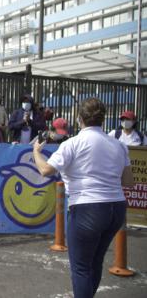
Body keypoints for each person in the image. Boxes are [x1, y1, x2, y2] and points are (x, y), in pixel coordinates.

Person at [32, 97, 134, 298]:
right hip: (116, 209)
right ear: (103, 119)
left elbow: (45, 170)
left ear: (80, 118)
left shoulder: (73, 143)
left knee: (80, 268)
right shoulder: (119, 145)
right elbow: (128, 181)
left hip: (87, 208)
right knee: (95, 262)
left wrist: (36, 151)